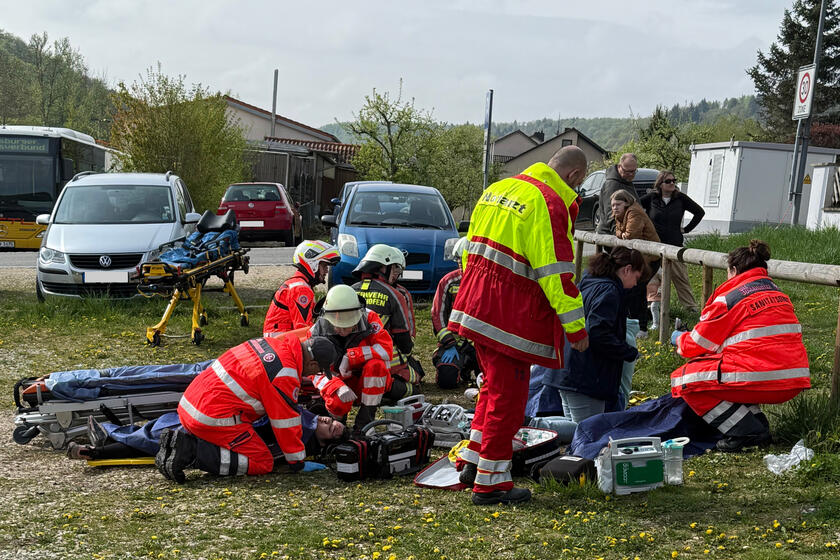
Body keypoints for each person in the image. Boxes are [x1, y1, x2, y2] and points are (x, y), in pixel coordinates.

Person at [448, 145, 590, 506]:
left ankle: (473, 461)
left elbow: (470, 249)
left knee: (492, 389)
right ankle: (492, 484)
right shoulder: (549, 203)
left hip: (477, 303)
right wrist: (577, 330)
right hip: (509, 315)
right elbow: (557, 274)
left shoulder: (498, 188)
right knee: (507, 399)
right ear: (573, 176)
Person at [670, 240, 811, 452]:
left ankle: (744, 431)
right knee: (729, 374)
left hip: (761, 376)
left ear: (734, 270)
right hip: (792, 379)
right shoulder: (779, 293)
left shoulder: (731, 298)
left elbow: (698, 343)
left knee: (685, 379)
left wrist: (679, 338)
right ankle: (758, 426)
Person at [155, 334, 341, 483]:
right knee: (262, 462)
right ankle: (189, 452)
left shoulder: (269, 343)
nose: (311, 375)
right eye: (316, 371)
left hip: (189, 404)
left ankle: (186, 446)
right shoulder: (285, 373)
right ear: (313, 364)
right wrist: (297, 463)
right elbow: (285, 424)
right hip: (210, 417)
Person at [537, 247, 645, 439]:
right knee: (588, 432)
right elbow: (597, 332)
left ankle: (536, 428)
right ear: (627, 270)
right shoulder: (610, 291)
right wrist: (627, 352)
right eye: (636, 277)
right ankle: (530, 425)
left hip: (565, 368)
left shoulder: (588, 282)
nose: (635, 285)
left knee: (573, 427)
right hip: (586, 376)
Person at [69, 410, 347, 467]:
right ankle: (107, 440)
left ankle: (99, 448)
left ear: (324, 443)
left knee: (165, 437)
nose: (330, 423)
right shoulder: (304, 417)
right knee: (167, 424)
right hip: (234, 422)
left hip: (229, 435)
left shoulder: (301, 438)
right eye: (332, 420)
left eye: (332, 429)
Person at [309, 284, 395, 431]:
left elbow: (386, 350)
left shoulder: (369, 319)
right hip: (336, 381)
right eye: (337, 326)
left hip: (363, 381)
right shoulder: (316, 332)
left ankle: (365, 422)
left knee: (377, 366)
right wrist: (337, 387)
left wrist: (352, 356)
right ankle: (336, 427)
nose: (341, 331)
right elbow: (314, 373)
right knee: (337, 401)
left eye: (346, 326)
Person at [351, 244, 421, 397]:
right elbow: (404, 340)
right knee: (416, 378)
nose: (397, 275)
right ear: (383, 267)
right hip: (383, 363)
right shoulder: (395, 295)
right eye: (395, 269)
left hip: (351, 363)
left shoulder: (351, 290)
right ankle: (391, 389)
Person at [640, 170, 705, 319]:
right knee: (651, 278)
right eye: (668, 181)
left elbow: (699, 212)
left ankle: (691, 310)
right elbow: (635, 207)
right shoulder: (652, 198)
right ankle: (651, 310)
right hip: (654, 246)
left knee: (681, 278)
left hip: (674, 246)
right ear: (660, 184)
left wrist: (686, 229)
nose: (672, 184)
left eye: (673, 180)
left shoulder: (680, 198)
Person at [263, 240, 340, 337]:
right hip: (283, 344)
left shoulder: (298, 284)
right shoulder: (301, 289)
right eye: (324, 265)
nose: (326, 271)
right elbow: (303, 329)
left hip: (280, 340)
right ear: (313, 264)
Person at [431, 236, 479, 388]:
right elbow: (437, 315)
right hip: (454, 342)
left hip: (480, 343)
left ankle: (471, 365)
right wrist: (449, 343)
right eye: (458, 259)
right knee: (447, 380)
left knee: (488, 381)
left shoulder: (484, 282)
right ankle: (459, 365)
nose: (460, 263)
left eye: (462, 258)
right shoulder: (448, 282)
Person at [611, 189, 661, 337]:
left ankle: (641, 327)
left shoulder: (634, 212)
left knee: (635, 291)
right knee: (633, 292)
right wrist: (622, 234)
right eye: (613, 205)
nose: (614, 208)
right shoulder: (620, 215)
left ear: (626, 203)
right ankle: (635, 325)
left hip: (649, 258)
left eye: (618, 204)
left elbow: (631, 235)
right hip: (639, 258)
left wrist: (623, 234)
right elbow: (619, 233)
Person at [595, 153, 640, 235]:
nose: (631, 174)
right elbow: (610, 212)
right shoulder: (612, 185)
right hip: (613, 235)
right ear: (619, 167)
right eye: (627, 171)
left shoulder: (626, 181)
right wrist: (619, 234)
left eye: (633, 171)